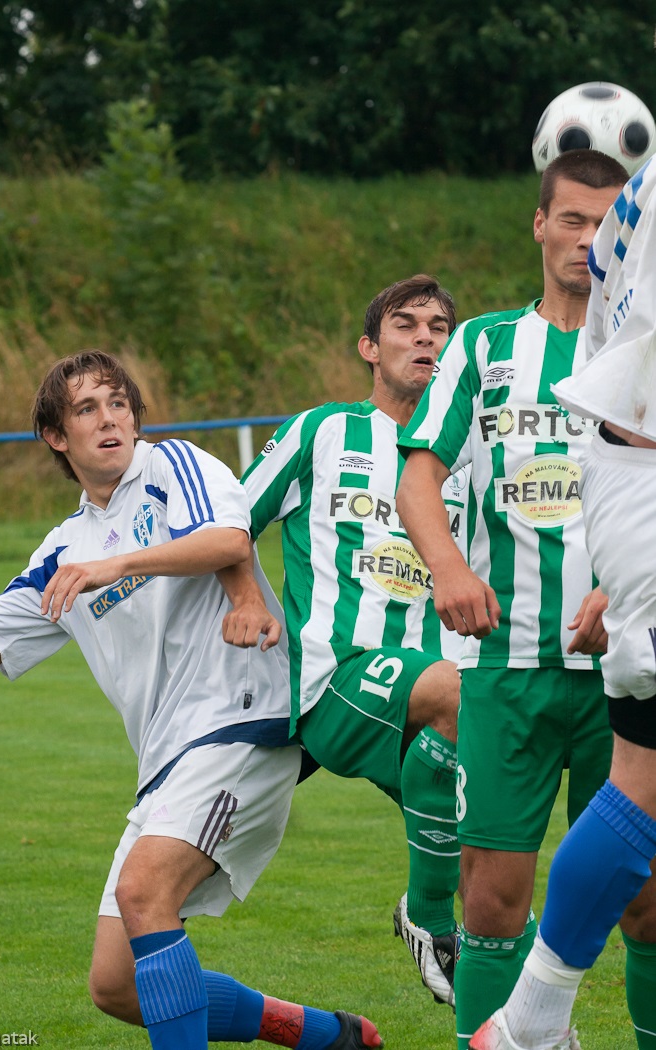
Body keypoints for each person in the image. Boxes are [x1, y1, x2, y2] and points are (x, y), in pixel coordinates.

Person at [0, 350, 382, 1050]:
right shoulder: (63, 549)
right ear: (56, 438)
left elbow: (226, 538)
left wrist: (117, 565)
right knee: (117, 986)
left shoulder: (170, 467)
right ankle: (323, 1036)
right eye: (87, 409)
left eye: (118, 402)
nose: (109, 419)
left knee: (144, 890)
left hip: (241, 719)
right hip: (167, 761)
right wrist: (91, 566)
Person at [393, 151, 650, 1050]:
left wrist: (629, 590)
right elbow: (418, 477)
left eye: (605, 224)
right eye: (571, 220)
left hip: (627, 666)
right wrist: (452, 570)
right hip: (505, 671)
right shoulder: (486, 346)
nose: (587, 241)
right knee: (493, 896)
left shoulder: (644, 347)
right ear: (539, 225)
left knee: (649, 901)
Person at [469, 157, 656, 1050]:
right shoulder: (487, 344)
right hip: (643, 485)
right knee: (643, 787)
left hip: (631, 493)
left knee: (642, 783)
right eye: (566, 220)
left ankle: (531, 1020)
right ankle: (530, 1020)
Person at [242, 275, 465, 1010]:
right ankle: (430, 923)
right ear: (370, 348)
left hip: (430, 676)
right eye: (406, 325)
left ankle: (517, 1019)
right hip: (336, 676)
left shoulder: (467, 455)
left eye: (439, 327)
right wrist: (245, 598)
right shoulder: (323, 430)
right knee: (457, 695)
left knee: (495, 868)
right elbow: (227, 522)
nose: (426, 337)